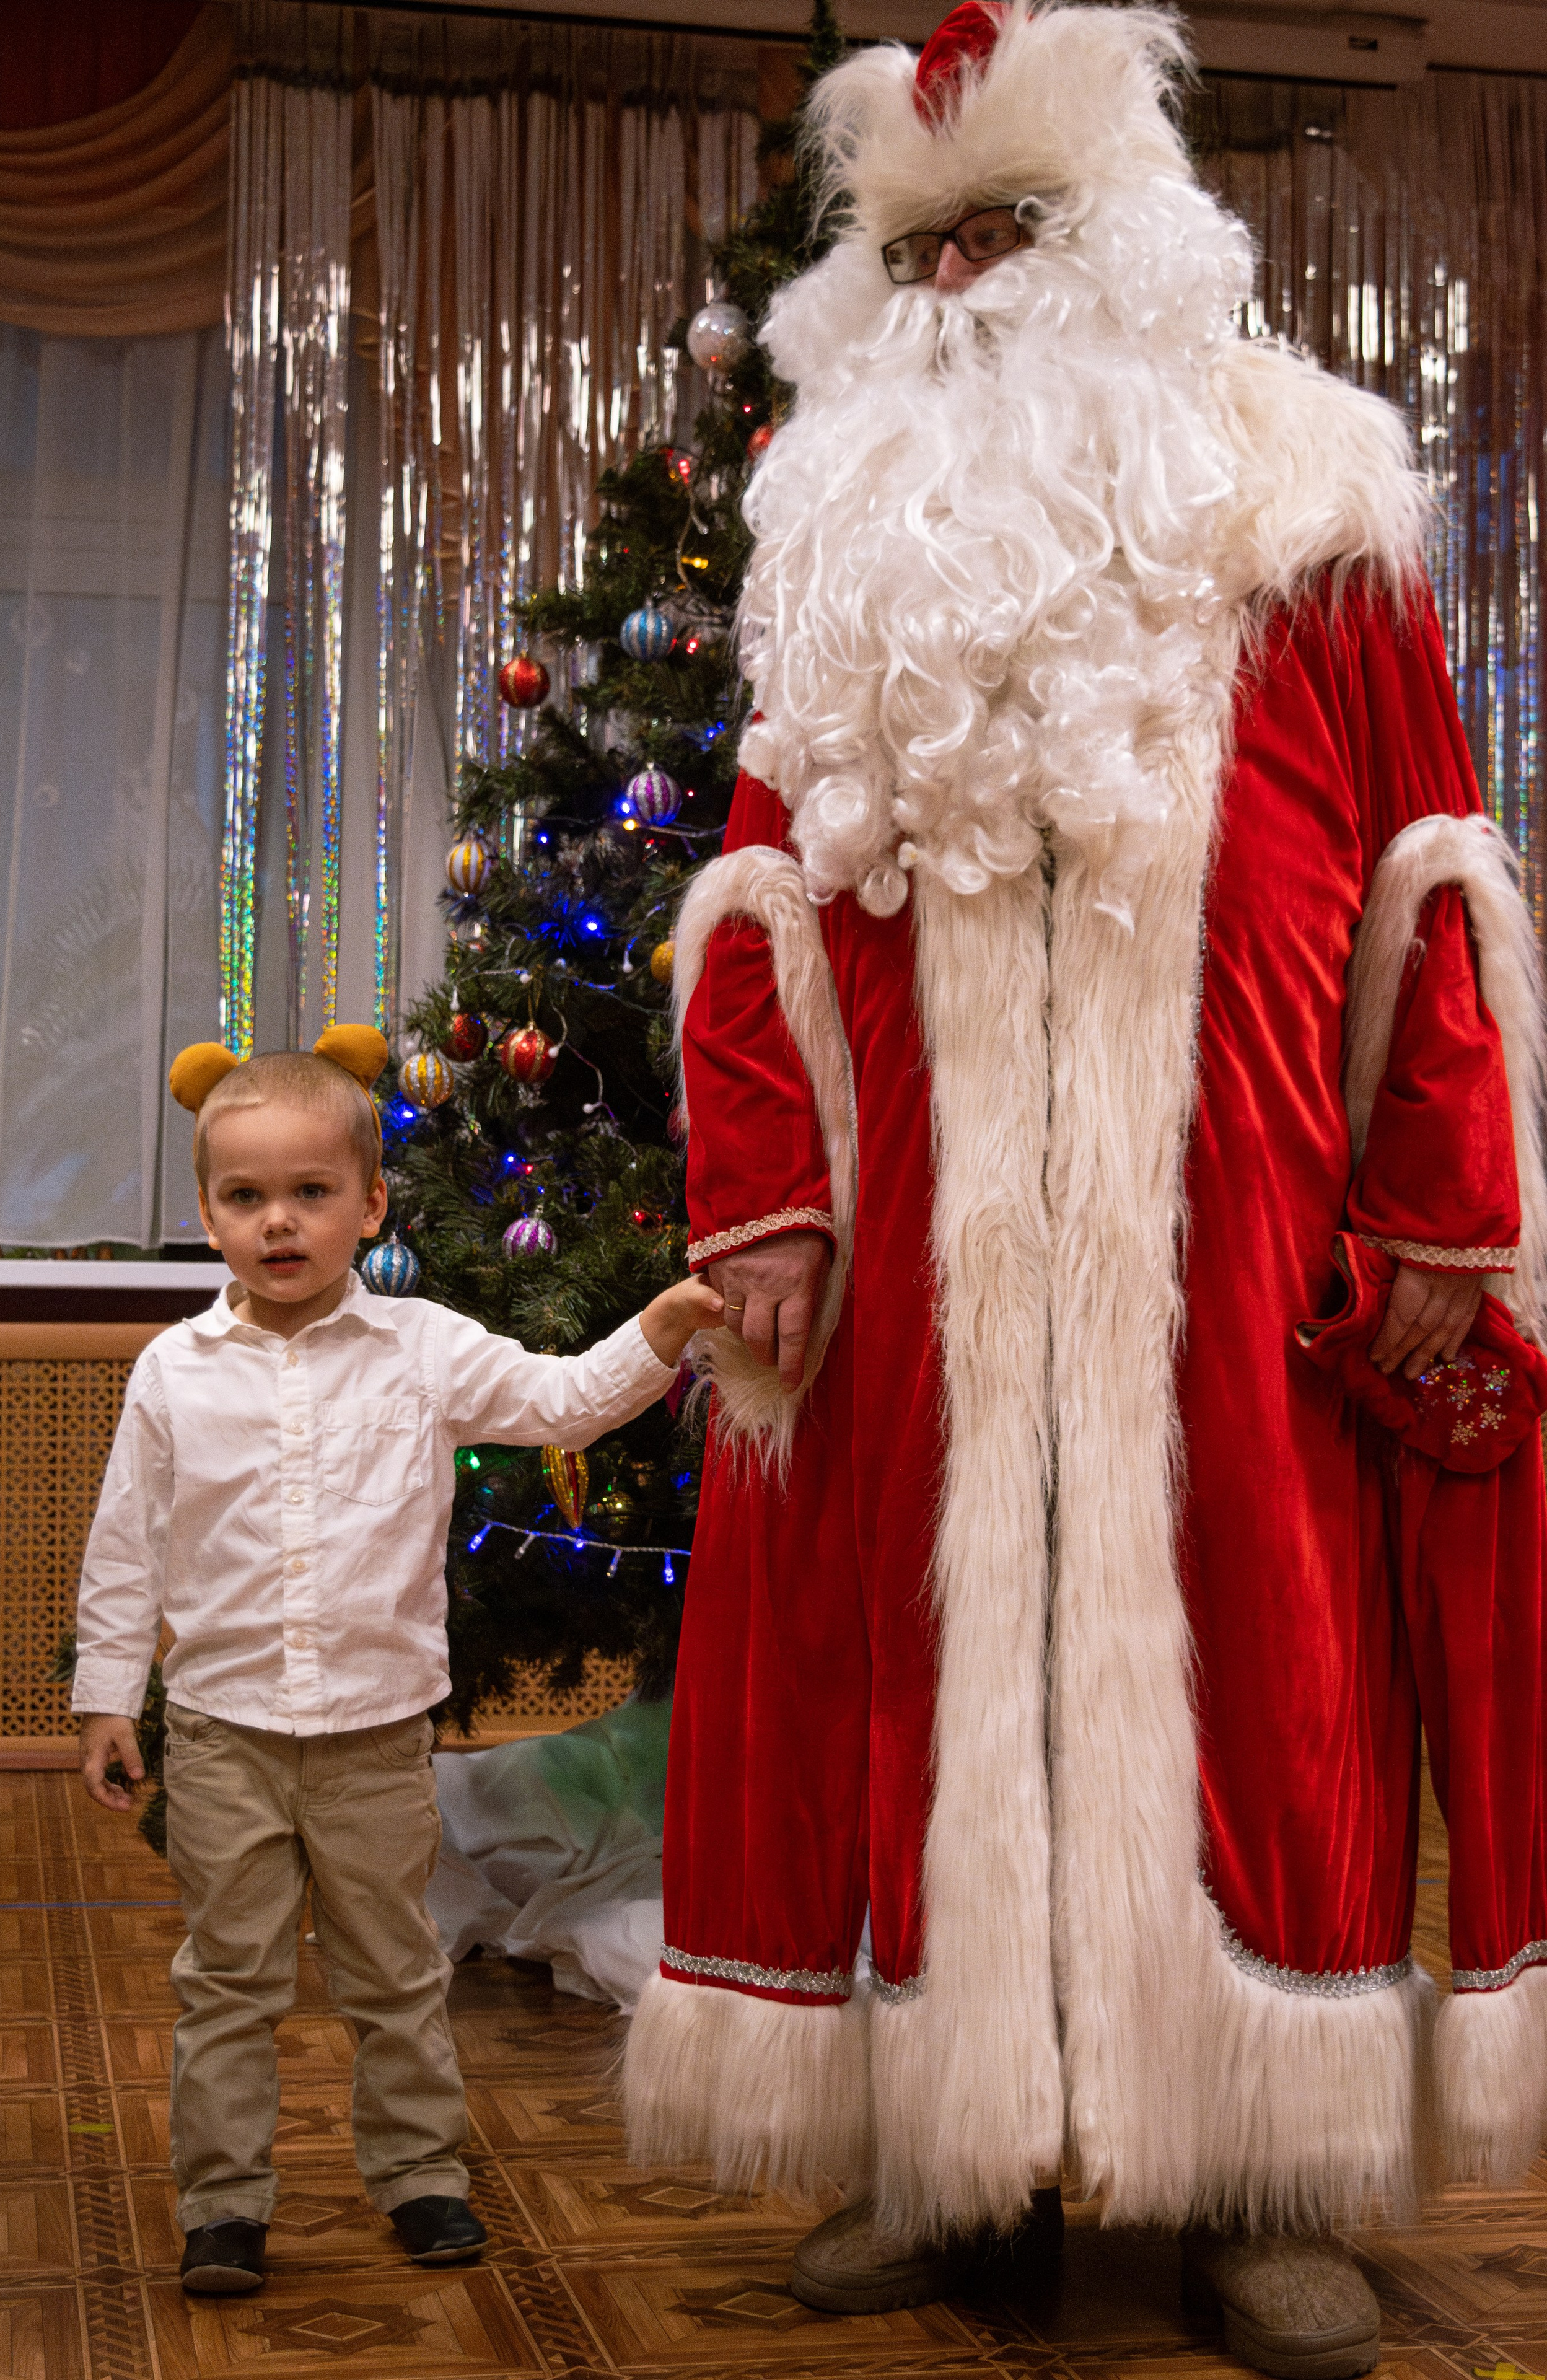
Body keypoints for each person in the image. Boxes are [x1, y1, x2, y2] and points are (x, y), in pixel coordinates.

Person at [622, 6, 1547, 2372]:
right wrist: (764, 1189)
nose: (961, 290)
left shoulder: (1302, 498)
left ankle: (1261, 2167)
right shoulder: (838, 528)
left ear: (1127, 240)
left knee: (1270, 1662)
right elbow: (750, 908)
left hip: (1240, 1222)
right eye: (921, 252)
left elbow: (1434, 861)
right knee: (915, 1675)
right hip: (917, 1240)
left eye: (1008, 236)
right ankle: (947, 2156)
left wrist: (1442, 1185)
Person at [72, 1025, 721, 2298]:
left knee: (395, 1970)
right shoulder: (172, 1375)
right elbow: (124, 1546)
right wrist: (108, 1697)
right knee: (228, 1978)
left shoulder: (424, 1348)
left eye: (310, 1193)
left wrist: (658, 1331)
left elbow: (556, 1400)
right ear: (208, 1215)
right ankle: (223, 2203)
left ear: (368, 1204)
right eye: (246, 1197)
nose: (279, 1222)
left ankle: (421, 2176)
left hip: (376, 1738)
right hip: (222, 1735)